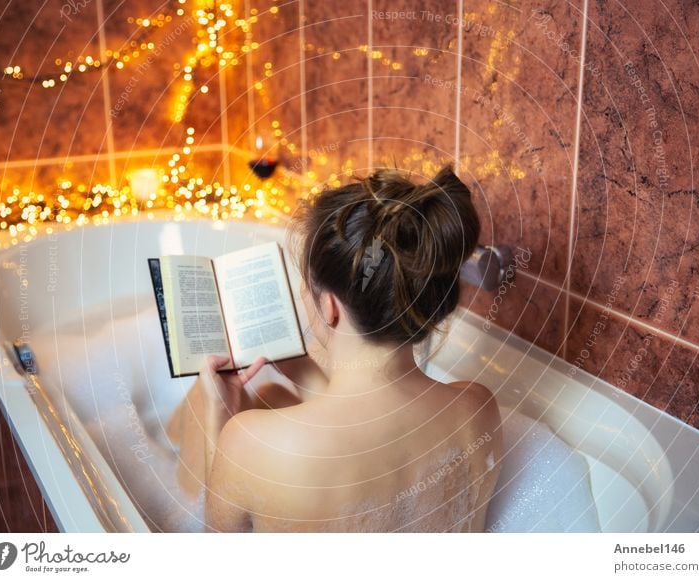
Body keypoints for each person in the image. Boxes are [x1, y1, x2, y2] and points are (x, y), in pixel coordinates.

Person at [166, 165, 503, 532]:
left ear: (328, 306)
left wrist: (218, 419)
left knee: (214, 400)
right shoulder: (477, 409)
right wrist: (306, 373)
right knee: (272, 393)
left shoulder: (247, 443)